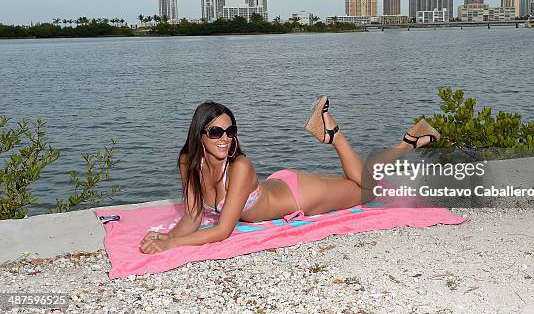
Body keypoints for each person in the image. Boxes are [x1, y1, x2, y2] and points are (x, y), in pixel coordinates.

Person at [140, 97, 440, 254]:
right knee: (361, 180)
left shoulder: (240, 166)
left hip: (299, 194)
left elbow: (222, 231)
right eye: (216, 131)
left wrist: (173, 245)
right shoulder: (187, 161)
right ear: (200, 134)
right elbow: (193, 215)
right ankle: (409, 141)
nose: (225, 138)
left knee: (370, 188)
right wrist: (169, 236)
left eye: (230, 131)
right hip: (279, 185)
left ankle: (336, 135)